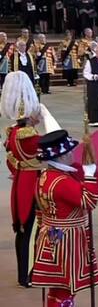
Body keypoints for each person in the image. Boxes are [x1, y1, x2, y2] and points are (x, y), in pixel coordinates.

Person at [30, 129, 98, 307]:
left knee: (57, 286)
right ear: (60, 157)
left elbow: (39, 209)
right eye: (68, 152)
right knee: (66, 286)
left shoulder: (45, 176)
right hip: (67, 239)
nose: (71, 154)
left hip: (52, 235)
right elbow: (89, 201)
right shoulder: (61, 181)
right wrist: (90, 175)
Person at [0, 71, 42, 287]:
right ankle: (33, 272)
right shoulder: (29, 135)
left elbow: (10, 160)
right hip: (33, 183)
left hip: (20, 182)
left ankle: (22, 274)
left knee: (23, 231)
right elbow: (48, 152)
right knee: (36, 229)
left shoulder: (13, 131)